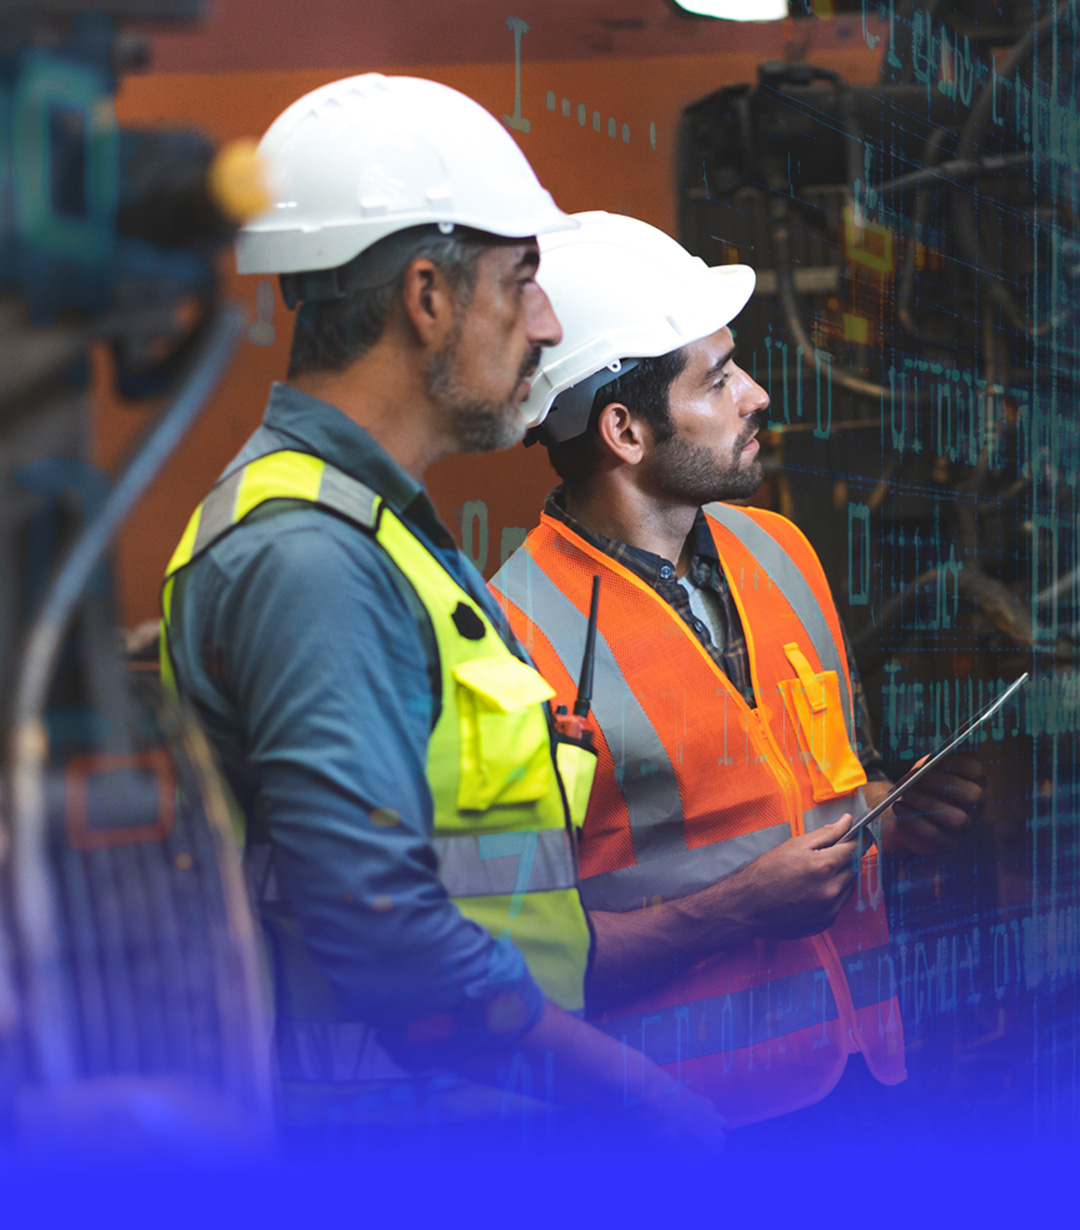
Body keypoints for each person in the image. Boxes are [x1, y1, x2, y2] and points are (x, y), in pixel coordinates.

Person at [160, 80, 724, 1143]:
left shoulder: (380, 531)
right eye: (524, 281)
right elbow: (387, 930)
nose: (548, 323)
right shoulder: (309, 560)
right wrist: (626, 1092)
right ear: (427, 297)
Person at [491, 211, 985, 1132]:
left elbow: (824, 784)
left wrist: (892, 812)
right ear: (625, 431)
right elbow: (520, 964)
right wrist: (735, 910)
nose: (756, 394)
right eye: (717, 379)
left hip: (864, 1077)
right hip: (693, 1121)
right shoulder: (511, 638)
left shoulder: (784, 552)